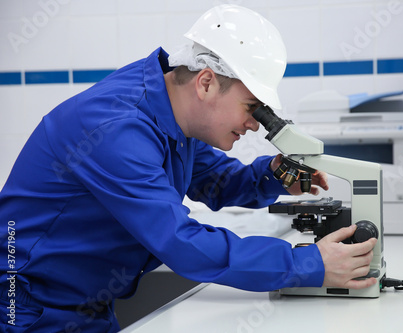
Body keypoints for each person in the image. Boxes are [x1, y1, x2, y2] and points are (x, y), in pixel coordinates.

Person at [0, 5, 377, 332]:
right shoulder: (116, 129)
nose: (255, 125)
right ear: (207, 82)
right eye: (252, 108)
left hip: (88, 308)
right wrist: (308, 263)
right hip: (28, 309)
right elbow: (180, 242)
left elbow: (214, 181)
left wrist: (274, 175)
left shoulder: (167, 111)